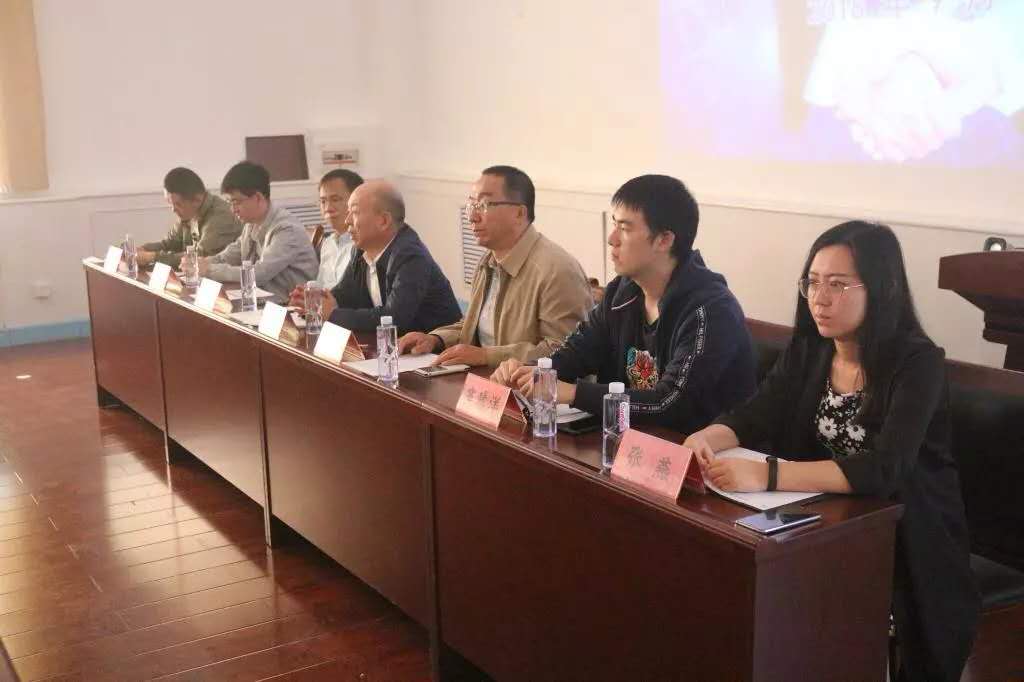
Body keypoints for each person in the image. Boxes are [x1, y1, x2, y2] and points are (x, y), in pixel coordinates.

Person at [684, 221, 979, 682]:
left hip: (910, 536)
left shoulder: (918, 362)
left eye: (838, 285)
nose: (819, 299)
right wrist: (707, 437)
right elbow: (755, 413)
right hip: (829, 521)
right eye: (813, 282)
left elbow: (885, 468)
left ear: (881, 288)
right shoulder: (812, 348)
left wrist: (770, 475)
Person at [493, 174, 756, 432]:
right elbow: (576, 353)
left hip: (693, 449)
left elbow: (671, 403)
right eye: (614, 224)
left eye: (625, 228)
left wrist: (573, 393)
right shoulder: (622, 292)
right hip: (627, 440)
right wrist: (532, 372)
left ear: (664, 240)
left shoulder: (710, 310)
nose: (612, 239)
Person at [398, 165, 592, 367]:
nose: (472, 217)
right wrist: (435, 339)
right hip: (487, 381)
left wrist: (485, 356)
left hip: (526, 386)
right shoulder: (488, 262)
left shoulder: (556, 270)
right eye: (472, 204)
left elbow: (563, 350)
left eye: (484, 205)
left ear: (519, 213)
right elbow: (474, 325)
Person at [290, 179, 461, 333]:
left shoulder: (410, 255)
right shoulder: (360, 250)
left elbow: (394, 318)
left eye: (354, 212)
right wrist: (316, 301)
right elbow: (344, 294)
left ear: (383, 221)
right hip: (394, 347)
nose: (347, 221)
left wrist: (332, 314)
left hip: (438, 350)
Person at [198, 161, 318, 302]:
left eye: (237, 202)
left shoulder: (286, 229)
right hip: (261, 299)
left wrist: (209, 270)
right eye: (230, 202)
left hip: (289, 305)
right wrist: (200, 263)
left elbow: (259, 274)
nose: (233, 209)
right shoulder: (251, 224)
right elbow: (229, 255)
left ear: (258, 198)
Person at [137, 167, 241, 267]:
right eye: (170, 203)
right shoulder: (188, 212)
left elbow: (200, 256)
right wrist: (143, 249)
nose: (173, 209)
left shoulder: (221, 217)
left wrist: (153, 257)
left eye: (178, 204)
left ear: (196, 200)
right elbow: (169, 244)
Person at [314, 169, 363, 289]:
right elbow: (321, 286)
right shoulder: (327, 243)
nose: (328, 208)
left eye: (335, 200)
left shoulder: (365, 244)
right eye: (323, 201)